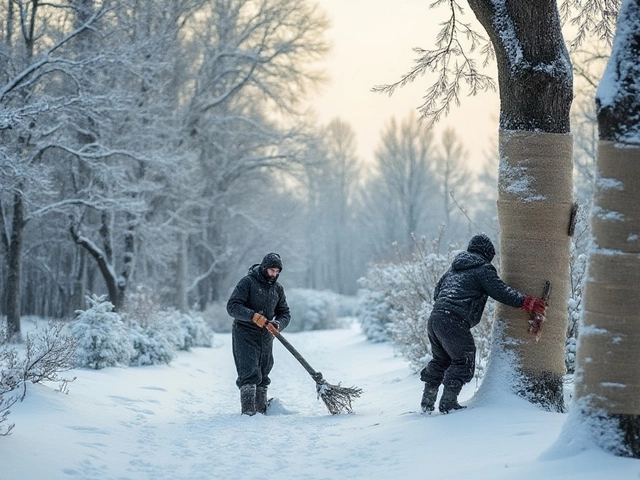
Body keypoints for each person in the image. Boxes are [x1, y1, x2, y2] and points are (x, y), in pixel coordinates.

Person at [420, 234, 546, 414]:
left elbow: (437, 293)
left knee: (441, 359)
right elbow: (500, 291)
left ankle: (427, 401)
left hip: (435, 319)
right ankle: (448, 403)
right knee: (464, 359)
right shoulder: (483, 268)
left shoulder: (453, 269)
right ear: (488, 253)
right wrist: (525, 302)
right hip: (453, 320)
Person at [227, 252, 291, 415]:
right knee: (248, 370)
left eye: (277, 271)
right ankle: (248, 412)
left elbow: (285, 313)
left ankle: (261, 411)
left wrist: (278, 324)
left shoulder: (278, 289)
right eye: (272, 271)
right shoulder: (247, 282)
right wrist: (252, 316)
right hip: (244, 333)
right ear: (264, 268)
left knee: (264, 370)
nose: (274, 274)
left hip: (266, 335)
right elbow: (233, 306)